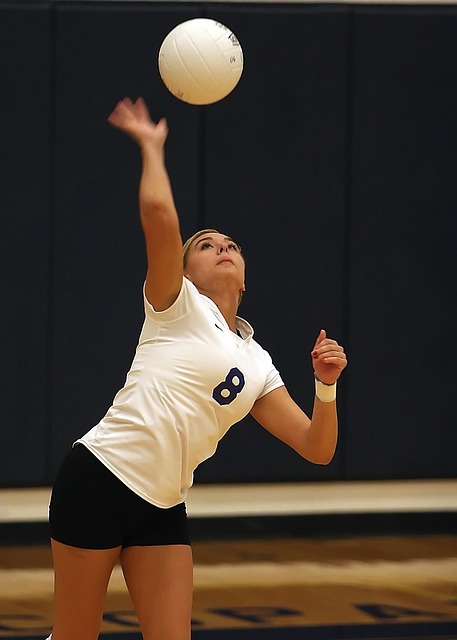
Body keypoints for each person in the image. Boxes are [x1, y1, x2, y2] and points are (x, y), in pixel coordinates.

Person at [47, 96, 347, 640]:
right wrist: (152, 147)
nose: (223, 248)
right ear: (185, 271)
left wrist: (324, 388)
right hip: (101, 479)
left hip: (163, 503)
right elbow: (159, 216)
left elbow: (316, 448)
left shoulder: (257, 361)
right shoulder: (176, 305)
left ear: (246, 279)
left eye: (231, 245)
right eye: (207, 246)